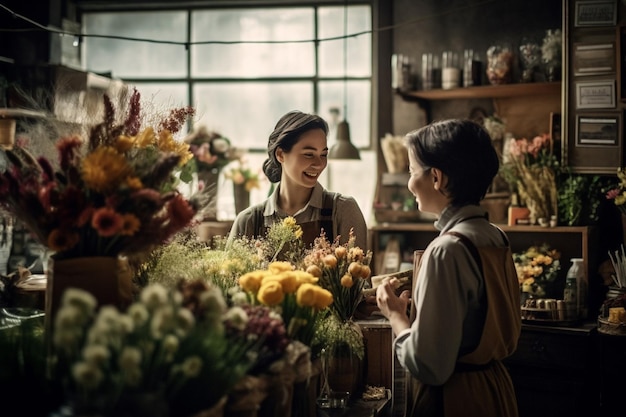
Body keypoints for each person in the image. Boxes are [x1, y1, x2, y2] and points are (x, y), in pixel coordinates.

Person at [375, 119, 521, 417]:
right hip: (494, 390)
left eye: (413, 171)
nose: (410, 182)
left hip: (456, 400)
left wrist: (396, 317)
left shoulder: (446, 250)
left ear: (437, 178)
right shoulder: (495, 236)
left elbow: (429, 365)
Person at [228, 110, 367, 249]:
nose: (319, 164)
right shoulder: (248, 221)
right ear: (280, 154)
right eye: (308, 154)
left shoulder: (343, 210)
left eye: (323, 155)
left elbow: (358, 269)